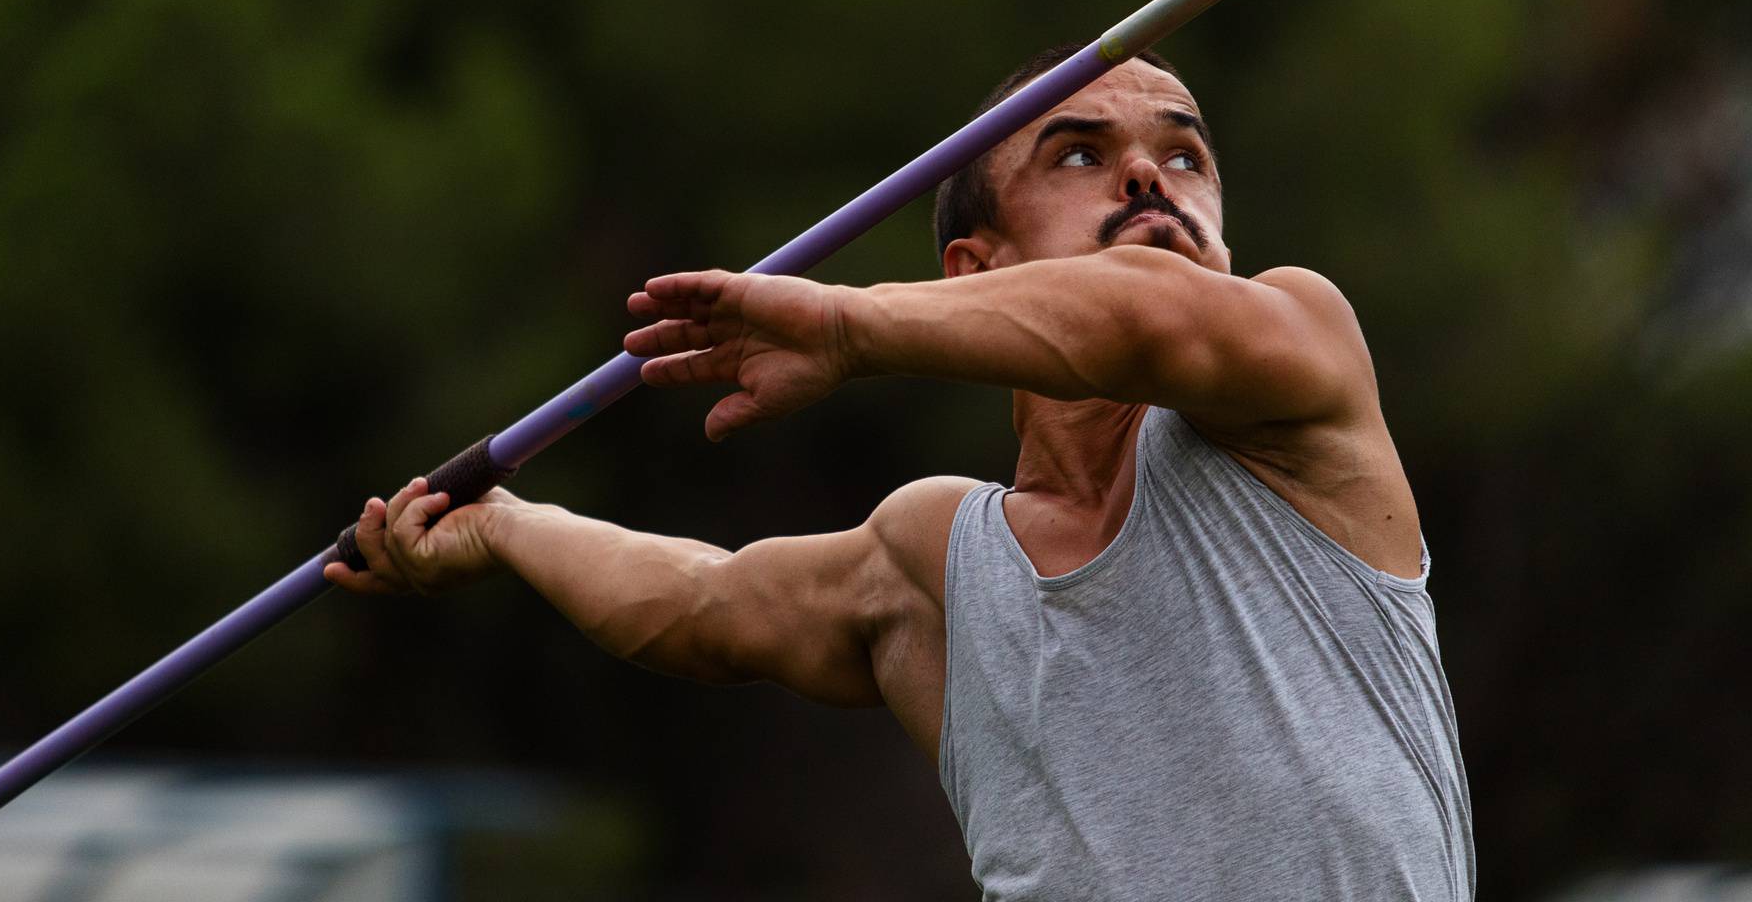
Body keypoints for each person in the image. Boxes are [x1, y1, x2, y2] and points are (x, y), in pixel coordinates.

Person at [327, 46, 1475, 900]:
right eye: (1080, 151)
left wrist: (848, 323)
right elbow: (701, 603)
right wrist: (512, 528)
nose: (1146, 175)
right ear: (974, 265)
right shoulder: (936, 556)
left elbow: (1154, 321)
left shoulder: (1298, 362)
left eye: (1184, 153)